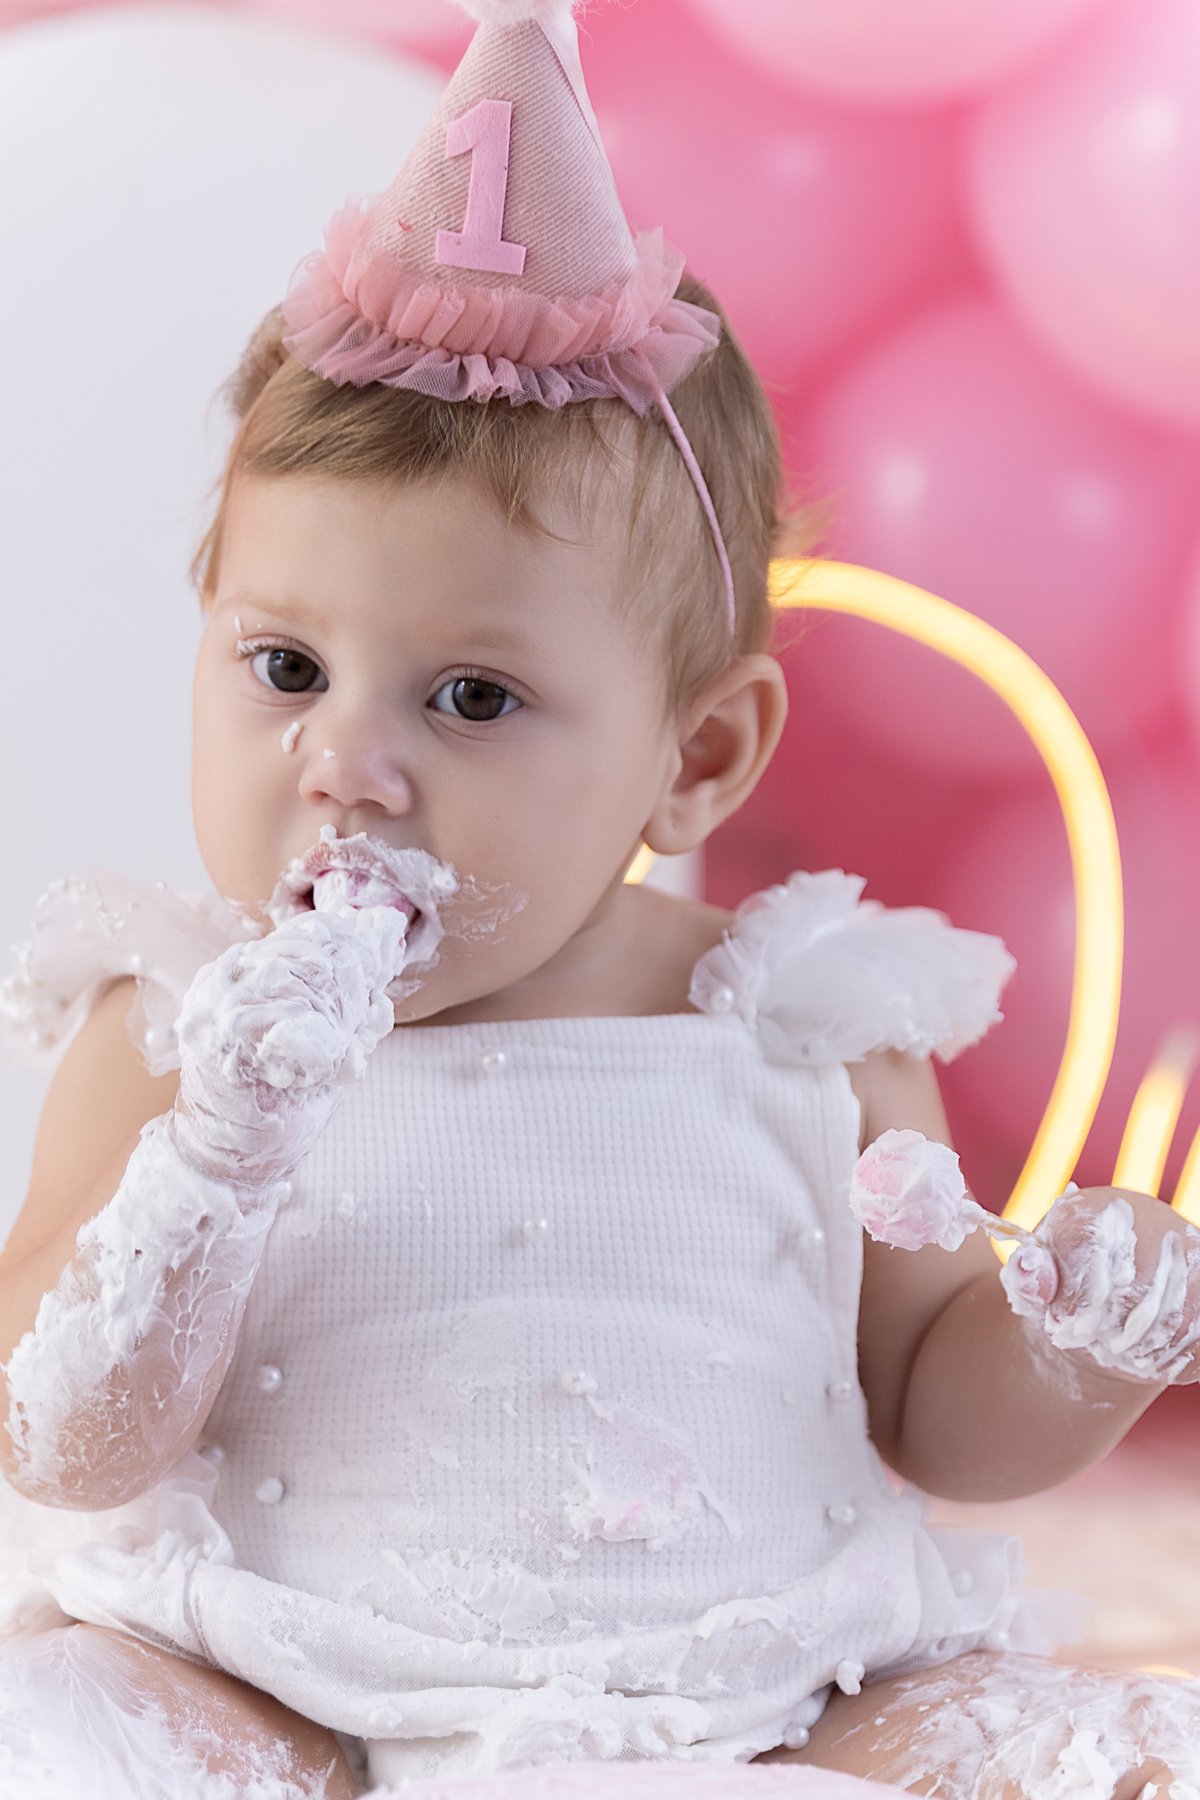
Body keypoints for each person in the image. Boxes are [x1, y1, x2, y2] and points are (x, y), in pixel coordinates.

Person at [2, 1, 1200, 1795]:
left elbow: (931, 1410)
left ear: (695, 758)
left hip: (761, 1689)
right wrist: (219, 1162)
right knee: (60, 1723)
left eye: (471, 698)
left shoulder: (798, 1028)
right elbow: (62, 1441)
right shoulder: (171, 1031)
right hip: (283, 1688)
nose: (345, 764)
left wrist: (1072, 1353)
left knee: (1109, 1750)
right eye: (285, 667)